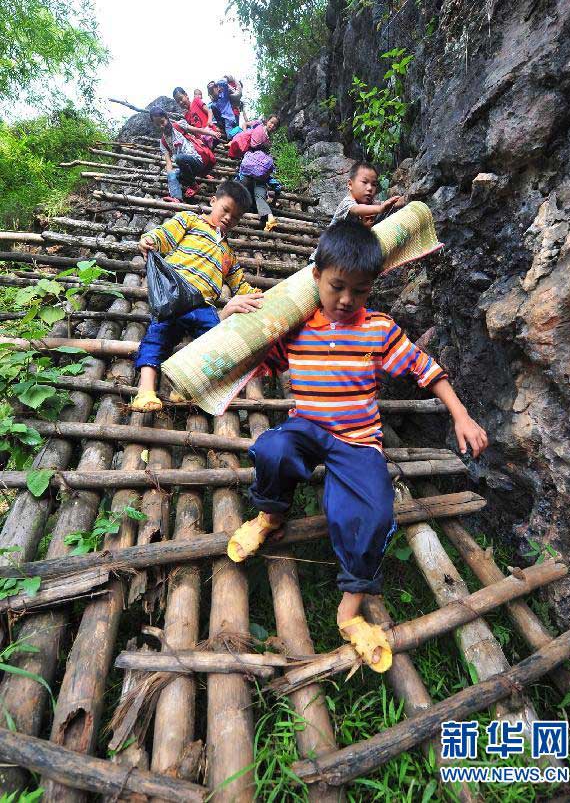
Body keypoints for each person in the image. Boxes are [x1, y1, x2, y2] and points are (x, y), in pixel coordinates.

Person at [226, 220, 488, 672]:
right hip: (307, 427)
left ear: (371, 290)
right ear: (316, 278)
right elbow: (249, 362)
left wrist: (461, 415)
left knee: (373, 513)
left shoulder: (380, 329)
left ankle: (349, 612)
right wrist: (228, 316)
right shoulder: (294, 326)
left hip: (359, 439)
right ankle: (270, 516)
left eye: (360, 292)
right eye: (337, 287)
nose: (347, 300)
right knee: (272, 448)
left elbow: (426, 369)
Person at [131, 181, 263, 412]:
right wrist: (151, 239)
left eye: (235, 217)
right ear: (213, 202)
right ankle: (145, 391)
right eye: (225, 210)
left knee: (215, 343)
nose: (228, 218)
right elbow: (165, 235)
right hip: (175, 295)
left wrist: (257, 297)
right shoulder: (189, 220)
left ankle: (183, 387)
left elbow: (240, 284)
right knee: (157, 337)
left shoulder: (228, 253)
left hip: (204, 305)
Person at [149, 106, 215, 202]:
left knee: (178, 158)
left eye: (162, 122)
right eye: (157, 125)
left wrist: (211, 133)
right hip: (186, 168)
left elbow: (196, 130)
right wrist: (171, 176)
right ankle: (176, 198)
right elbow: (168, 163)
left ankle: (193, 185)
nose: (161, 126)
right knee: (172, 173)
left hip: (197, 161)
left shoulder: (179, 125)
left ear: (167, 118)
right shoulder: (163, 142)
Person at [237, 114, 281, 231]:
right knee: (259, 196)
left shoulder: (261, 132)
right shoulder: (260, 130)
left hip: (249, 169)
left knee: (244, 189)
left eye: (275, 125)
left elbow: (252, 144)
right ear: (267, 121)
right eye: (271, 122)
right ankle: (270, 218)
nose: (272, 126)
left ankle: (237, 209)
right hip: (260, 173)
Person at [330, 161, 406, 229]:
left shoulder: (372, 204)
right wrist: (380, 209)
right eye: (364, 182)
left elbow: (390, 205)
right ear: (350, 184)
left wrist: (407, 198)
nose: (370, 188)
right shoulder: (347, 203)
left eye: (374, 184)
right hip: (331, 242)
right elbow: (356, 209)